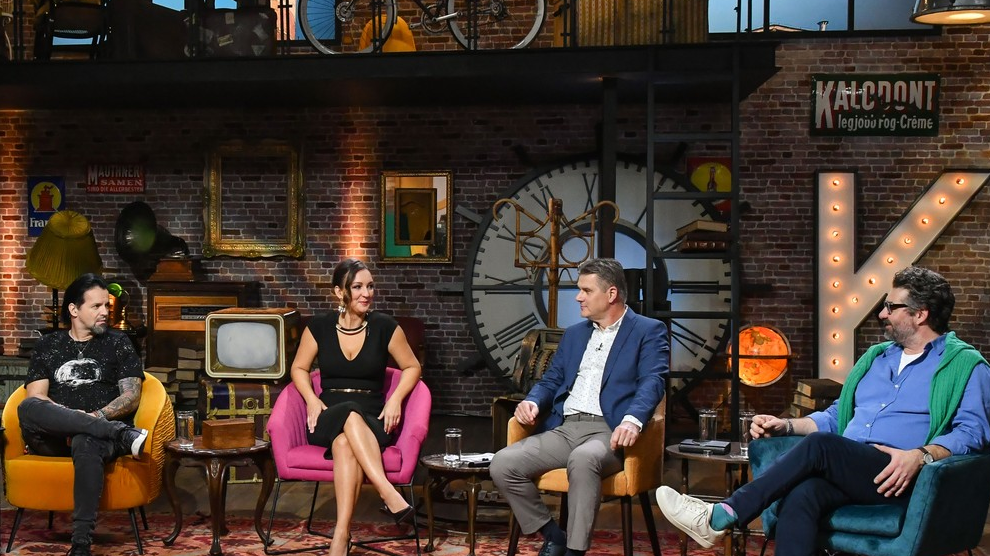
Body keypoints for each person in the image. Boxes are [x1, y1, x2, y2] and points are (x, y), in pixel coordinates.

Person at [657, 266, 990, 555]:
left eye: (892, 306)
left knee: (822, 446)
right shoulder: (876, 358)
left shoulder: (964, 365)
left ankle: (722, 515)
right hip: (848, 467)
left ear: (920, 314)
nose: (882, 314)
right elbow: (836, 416)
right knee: (802, 495)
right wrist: (786, 426)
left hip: (899, 476)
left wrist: (921, 456)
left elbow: (972, 432)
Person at [489, 258, 669, 556]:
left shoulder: (648, 330)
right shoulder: (574, 334)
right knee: (503, 463)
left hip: (610, 430)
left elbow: (653, 381)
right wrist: (532, 400)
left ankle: (575, 551)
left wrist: (632, 420)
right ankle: (554, 535)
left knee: (583, 459)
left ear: (611, 294)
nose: (578, 297)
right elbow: (552, 379)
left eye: (586, 290)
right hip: (566, 427)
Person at [288, 258, 423, 556]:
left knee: (344, 443)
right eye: (358, 287)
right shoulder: (320, 326)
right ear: (340, 292)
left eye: (370, 286)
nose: (367, 293)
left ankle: (341, 534)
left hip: (372, 419)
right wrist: (311, 398)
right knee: (348, 411)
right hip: (328, 416)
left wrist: (396, 398)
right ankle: (387, 491)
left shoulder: (385, 326)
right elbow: (298, 368)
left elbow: (412, 366)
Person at [18, 273, 150, 556]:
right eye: (96, 306)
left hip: (96, 440)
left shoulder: (119, 342)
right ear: (74, 309)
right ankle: (122, 434)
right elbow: (37, 397)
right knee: (27, 407)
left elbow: (131, 396)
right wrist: (70, 418)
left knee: (85, 439)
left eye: (106, 306)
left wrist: (95, 417)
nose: (105, 312)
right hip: (54, 437)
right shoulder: (47, 345)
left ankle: (80, 544)